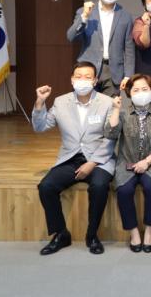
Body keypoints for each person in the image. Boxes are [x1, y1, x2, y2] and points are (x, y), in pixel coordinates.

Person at [32, 61, 115, 255]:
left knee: (100, 186)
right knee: (46, 186)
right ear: (71, 80)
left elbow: (111, 137)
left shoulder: (107, 102)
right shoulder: (61, 102)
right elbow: (40, 127)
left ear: (95, 81)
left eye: (88, 77)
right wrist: (40, 102)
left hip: (99, 159)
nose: (82, 80)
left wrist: (92, 163)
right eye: (78, 76)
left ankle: (92, 235)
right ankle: (61, 233)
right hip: (70, 158)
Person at [104, 73, 151, 254]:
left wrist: (147, 162)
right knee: (124, 190)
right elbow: (110, 134)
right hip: (127, 162)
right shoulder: (123, 114)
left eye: (144, 89)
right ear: (129, 94)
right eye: (136, 90)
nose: (141, 93)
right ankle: (133, 232)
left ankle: (149, 231)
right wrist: (115, 110)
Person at [67, 0, 135, 96]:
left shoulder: (126, 16)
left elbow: (129, 48)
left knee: (110, 106)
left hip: (114, 72)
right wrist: (84, 17)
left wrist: (128, 75)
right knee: (86, 105)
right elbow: (71, 37)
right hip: (87, 70)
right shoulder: (84, 11)